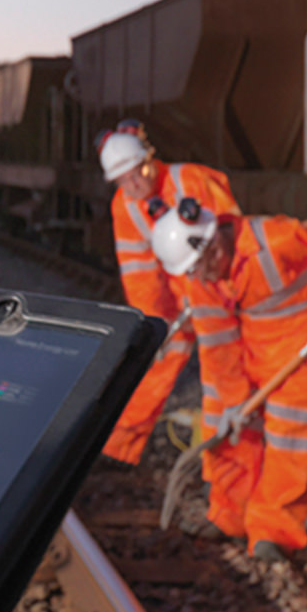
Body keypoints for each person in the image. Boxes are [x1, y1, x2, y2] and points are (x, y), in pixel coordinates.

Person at [147, 198, 307, 560]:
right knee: (228, 431)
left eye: (199, 268)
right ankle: (230, 518)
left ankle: (273, 533)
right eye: (191, 273)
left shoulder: (276, 240)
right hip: (249, 353)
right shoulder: (202, 281)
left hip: (302, 352)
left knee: (290, 444)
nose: (199, 279)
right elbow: (218, 347)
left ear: (214, 246)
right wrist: (234, 403)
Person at [96, 120, 237, 463]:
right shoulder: (125, 206)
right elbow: (139, 273)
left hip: (218, 286)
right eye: (123, 180)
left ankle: (222, 459)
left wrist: (211, 295)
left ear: (151, 160)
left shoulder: (190, 180)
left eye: (139, 173)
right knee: (155, 361)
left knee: (223, 370)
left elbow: (230, 238)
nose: (134, 185)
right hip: (179, 296)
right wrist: (156, 323)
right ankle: (118, 449)